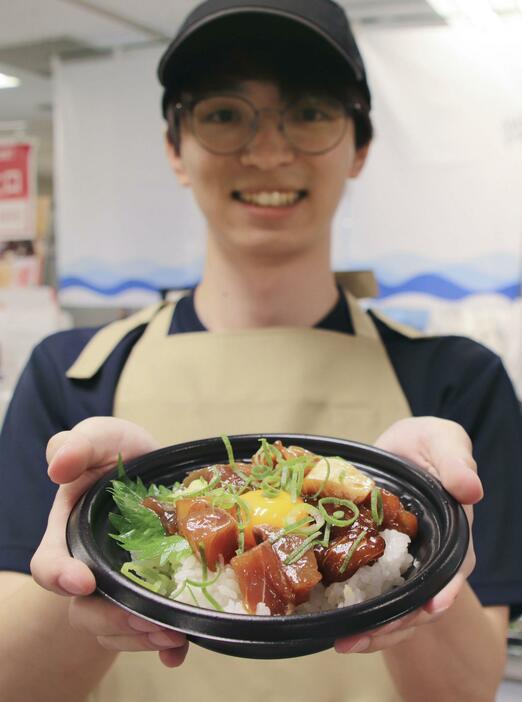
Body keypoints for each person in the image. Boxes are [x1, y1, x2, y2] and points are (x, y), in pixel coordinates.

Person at [1, 1, 521, 700]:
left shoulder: (460, 381)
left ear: (359, 146)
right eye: (223, 114)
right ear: (174, 148)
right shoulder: (72, 374)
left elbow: (463, 693)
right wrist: (89, 544)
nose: (269, 151)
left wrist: (432, 530)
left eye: (309, 112)